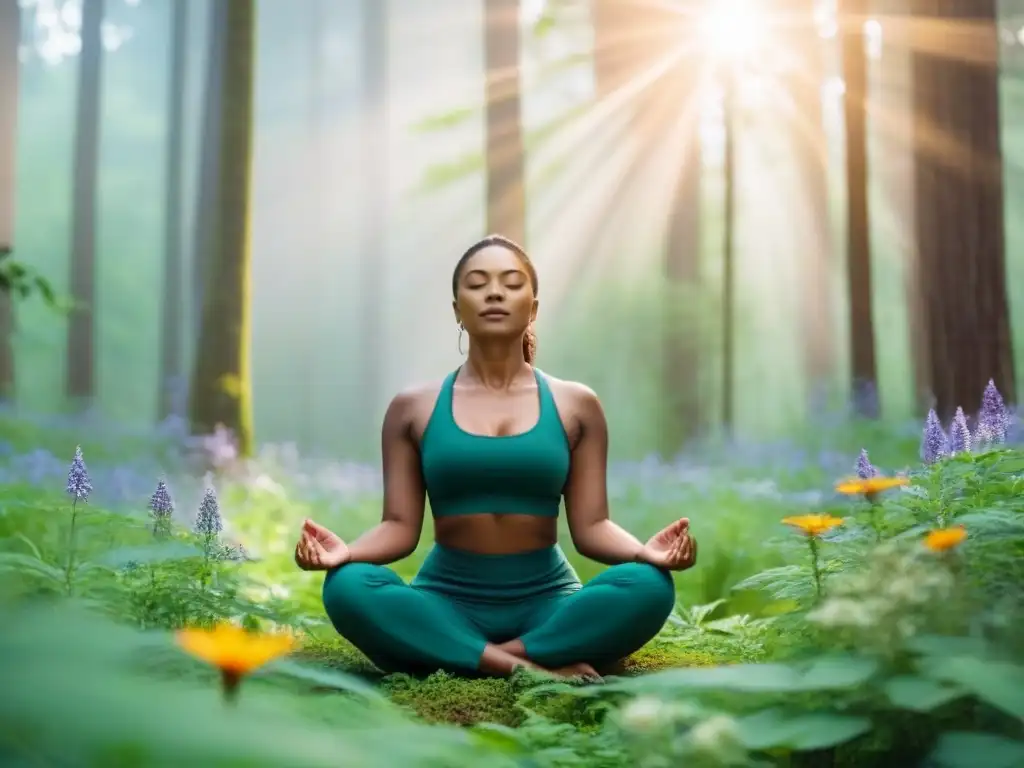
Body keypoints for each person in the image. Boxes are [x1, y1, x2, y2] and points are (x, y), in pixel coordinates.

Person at [294, 234, 697, 680]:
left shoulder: (576, 404)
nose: (494, 293)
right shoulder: (413, 407)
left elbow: (592, 528)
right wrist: (344, 553)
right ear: (456, 309)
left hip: (549, 603)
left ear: (533, 307)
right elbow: (399, 528)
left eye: (510, 282)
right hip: (445, 601)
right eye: (477, 283)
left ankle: (463, 656)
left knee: (649, 586)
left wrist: (647, 553)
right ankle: (524, 665)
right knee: (348, 586)